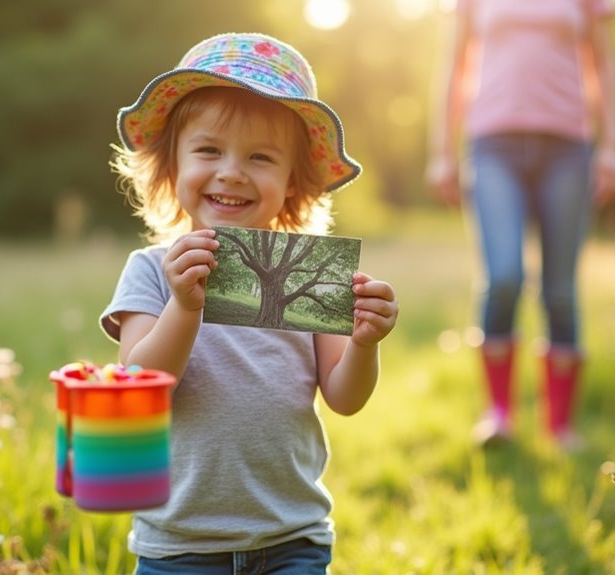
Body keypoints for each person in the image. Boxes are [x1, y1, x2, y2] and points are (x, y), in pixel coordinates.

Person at [101, 33, 399, 573]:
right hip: (179, 544)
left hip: (292, 537)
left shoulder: (306, 275)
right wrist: (186, 307)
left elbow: (345, 397)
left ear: (292, 183)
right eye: (209, 150)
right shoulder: (150, 271)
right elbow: (139, 388)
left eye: (261, 157)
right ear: (172, 166)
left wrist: (364, 343)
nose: (232, 171)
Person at [425, 0, 615, 448]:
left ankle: (560, 427)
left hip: (568, 150)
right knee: (502, 277)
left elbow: (605, 65)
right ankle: (499, 414)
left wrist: (613, 144)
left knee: (560, 289)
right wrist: (442, 149)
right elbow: (454, 66)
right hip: (492, 146)